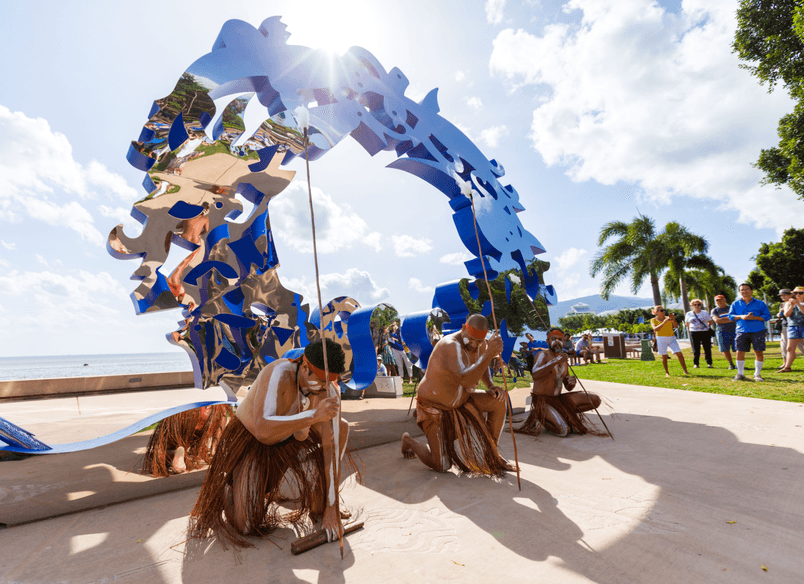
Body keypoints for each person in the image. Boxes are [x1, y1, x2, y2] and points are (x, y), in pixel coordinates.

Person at [190, 340, 352, 549]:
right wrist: (312, 415)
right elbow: (263, 431)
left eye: (328, 383)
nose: (323, 388)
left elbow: (331, 448)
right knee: (247, 525)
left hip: (290, 444)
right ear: (304, 368)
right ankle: (230, 491)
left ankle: (320, 500)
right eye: (320, 381)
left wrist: (331, 507)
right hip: (254, 444)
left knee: (341, 428)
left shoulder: (329, 391)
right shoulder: (277, 373)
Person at [400, 314, 513, 476]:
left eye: (479, 341)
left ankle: (492, 454)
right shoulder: (450, 345)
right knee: (442, 465)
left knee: (498, 401)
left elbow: (481, 366)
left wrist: (490, 385)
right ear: (463, 329)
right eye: (471, 340)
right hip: (434, 406)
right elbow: (466, 381)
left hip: (462, 400)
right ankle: (408, 440)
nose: (474, 345)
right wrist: (489, 354)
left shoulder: (481, 344)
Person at [517, 328, 604, 437]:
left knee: (595, 400)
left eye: (560, 339)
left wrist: (571, 382)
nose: (557, 342)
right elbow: (535, 375)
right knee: (564, 430)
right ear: (548, 341)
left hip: (559, 399)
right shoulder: (542, 355)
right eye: (553, 339)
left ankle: (561, 414)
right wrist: (554, 362)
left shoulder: (564, 360)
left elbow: (568, 387)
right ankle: (539, 414)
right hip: (542, 400)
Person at [727, 283, 771, 382]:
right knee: (739, 352)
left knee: (758, 352)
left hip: (758, 331)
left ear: (751, 291)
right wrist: (741, 316)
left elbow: (767, 316)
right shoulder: (735, 304)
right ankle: (740, 374)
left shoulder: (760, 303)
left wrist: (754, 317)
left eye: (747, 289)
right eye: (742, 290)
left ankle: (757, 374)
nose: (744, 291)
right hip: (741, 331)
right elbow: (730, 316)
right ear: (739, 292)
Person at [651, 306, 689, 377]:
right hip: (661, 338)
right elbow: (655, 329)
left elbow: (676, 327)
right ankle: (667, 372)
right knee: (664, 356)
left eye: (664, 310)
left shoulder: (668, 318)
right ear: (656, 312)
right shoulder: (653, 320)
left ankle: (685, 370)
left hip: (671, 338)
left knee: (679, 353)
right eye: (661, 310)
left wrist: (674, 320)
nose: (663, 311)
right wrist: (664, 322)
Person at [779, 286, 804, 372]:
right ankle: (787, 367)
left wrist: (798, 304)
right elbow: (786, 314)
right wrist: (792, 305)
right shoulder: (788, 303)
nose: (797, 294)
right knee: (789, 348)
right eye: (795, 293)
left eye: (800, 293)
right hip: (792, 327)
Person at [685, 298, 714, 368]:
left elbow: (710, 322)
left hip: (705, 332)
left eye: (698, 304)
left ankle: (709, 363)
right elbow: (687, 323)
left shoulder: (705, 313)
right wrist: (693, 328)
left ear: (701, 305)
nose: (697, 306)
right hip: (694, 332)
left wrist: (705, 327)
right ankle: (696, 363)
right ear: (692, 305)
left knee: (707, 348)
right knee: (696, 349)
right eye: (695, 304)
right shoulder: (689, 314)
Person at [710, 295, 737, 370]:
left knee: (738, 348)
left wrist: (722, 319)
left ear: (725, 300)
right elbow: (717, 321)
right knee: (725, 349)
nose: (719, 302)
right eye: (717, 300)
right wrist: (730, 318)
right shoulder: (714, 310)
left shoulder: (731, 307)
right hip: (722, 332)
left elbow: (736, 318)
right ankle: (731, 364)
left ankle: (739, 364)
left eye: (721, 300)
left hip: (735, 331)